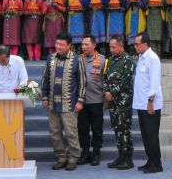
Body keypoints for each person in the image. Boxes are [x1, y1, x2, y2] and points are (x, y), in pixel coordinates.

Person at [41, 33, 85, 170]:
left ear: (69, 46)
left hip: (69, 103)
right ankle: (61, 157)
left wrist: (80, 100)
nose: (58, 47)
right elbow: (45, 79)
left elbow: (82, 82)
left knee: (71, 132)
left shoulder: (77, 60)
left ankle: (73, 158)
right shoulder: (50, 59)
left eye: (61, 44)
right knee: (54, 133)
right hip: (53, 104)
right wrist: (45, 97)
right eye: (56, 44)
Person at [104, 34, 136, 170]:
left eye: (113, 47)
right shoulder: (110, 60)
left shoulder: (129, 61)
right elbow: (105, 77)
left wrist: (112, 92)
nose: (111, 49)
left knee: (124, 129)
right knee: (116, 128)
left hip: (123, 101)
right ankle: (120, 156)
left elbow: (126, 81)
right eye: (110, 47)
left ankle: (128, 158)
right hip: (112, 101)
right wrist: (106, 91)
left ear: (121, 46)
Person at [132, 32, 163, 173]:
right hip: (140, 102)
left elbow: (154, 83)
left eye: (137, 44)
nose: (135, 47)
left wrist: (151, 101)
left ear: (146, 44)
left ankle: (157, 163)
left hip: (150, 103)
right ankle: (150, 160)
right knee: (145, 135)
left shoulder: (152, 58)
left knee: (152, 135)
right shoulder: (141, 58)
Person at [76, 34, 108, 166]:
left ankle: (96, 152)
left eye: (86, 44)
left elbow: (106, 80)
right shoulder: (77, 60)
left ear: (94, 45)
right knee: (82, 128)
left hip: (96, 100)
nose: (83, 47)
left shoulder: (102, 60)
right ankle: (85, 152)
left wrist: (106, 100)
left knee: (96, 128)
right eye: (82, 45)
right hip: (81, 101)